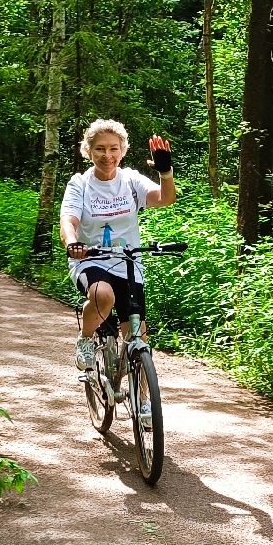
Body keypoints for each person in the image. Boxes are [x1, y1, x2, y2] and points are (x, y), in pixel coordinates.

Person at [59, 119, 176, 375]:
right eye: (100, 148)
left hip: (128, 263)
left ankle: (143, 396)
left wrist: (165, 172)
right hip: (91, 260)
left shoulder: (130, 180)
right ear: (88, 151)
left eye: (114, 148)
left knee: (138, 339)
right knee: (103, 296)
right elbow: (68, 221)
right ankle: (86, 339)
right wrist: (73, 243)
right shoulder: (80, 184)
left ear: (122, 151)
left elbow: (165, 198)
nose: (107, 155)